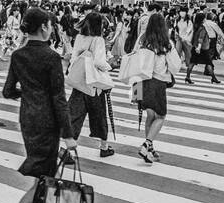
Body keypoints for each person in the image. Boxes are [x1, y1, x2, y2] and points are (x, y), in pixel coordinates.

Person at [0, 7, 81, 203]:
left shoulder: (18, 55)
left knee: (46, 176)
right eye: (50, 25)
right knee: (43, 180)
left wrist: (30, 96)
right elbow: (58, 99)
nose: (52, 28)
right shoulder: (51, 58)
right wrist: (69, 135)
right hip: (47, 122)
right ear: (43, 27)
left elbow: (8, 91)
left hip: (28, 119)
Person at [124, 11, 182, 164]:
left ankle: (149, 150)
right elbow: (176, 66)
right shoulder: (165, 42)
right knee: (161, 116)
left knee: (150, 116)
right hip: (157, 83)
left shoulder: (142, 39)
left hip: (141, 81)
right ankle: (147, 144)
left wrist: (134, 91)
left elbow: (134, 59)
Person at [66, 9, 115, 159]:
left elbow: (74, 58)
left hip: (79, 82)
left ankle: (69, 151)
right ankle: (104, 147)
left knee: (75, 116)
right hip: (93, 85)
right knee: (99, 115)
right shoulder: (98, 39)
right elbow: (99, 62)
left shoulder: (79, 37)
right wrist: (109, 66)